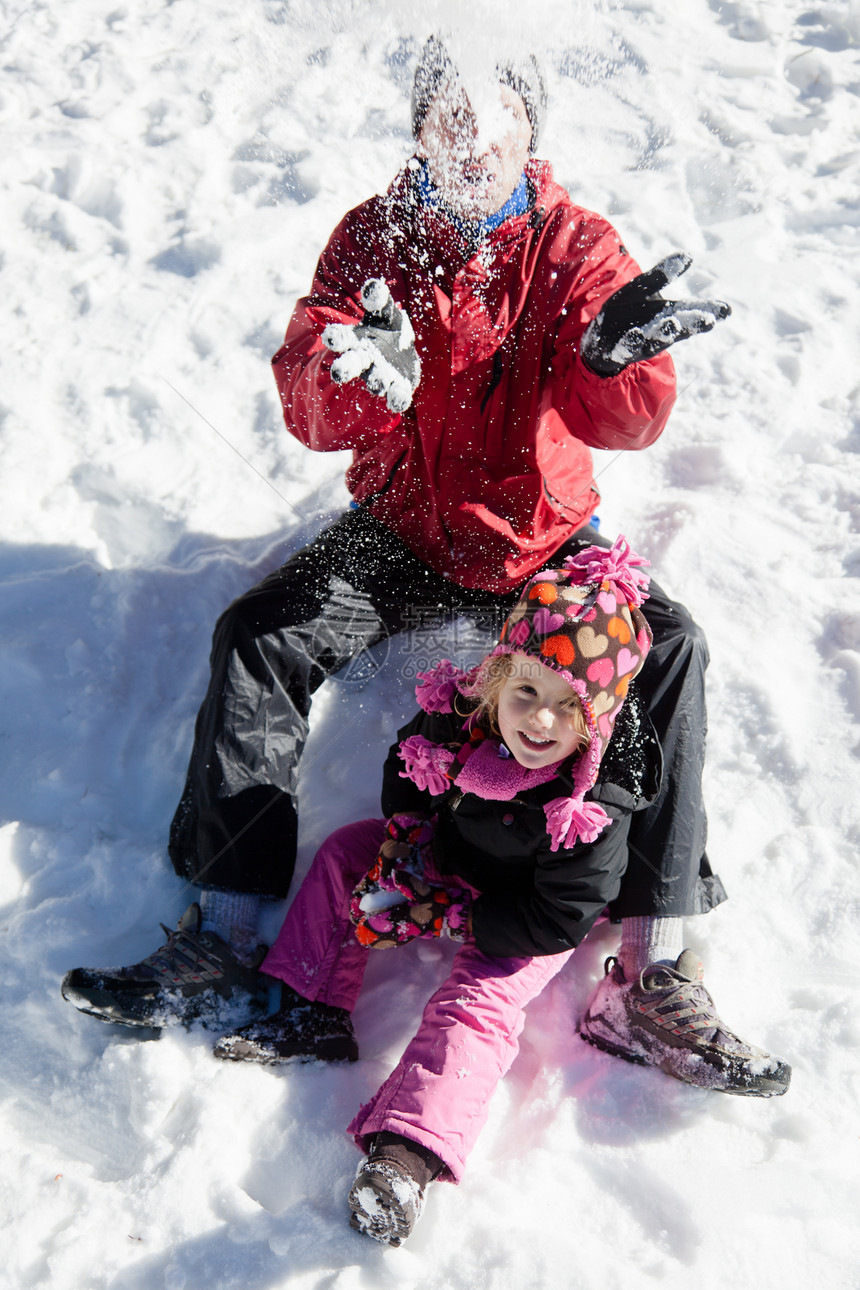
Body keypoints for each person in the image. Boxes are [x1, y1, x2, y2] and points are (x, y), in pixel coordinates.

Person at [62, 39, 745, 1090]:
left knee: (671, 646)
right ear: (419, 128)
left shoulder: (572, 246)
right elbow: (307, 403)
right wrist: (359, 384)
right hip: (400, 535)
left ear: (531, 129)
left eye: (495, 119)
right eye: (448, 119)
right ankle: (228, 929)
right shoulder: (372, 238)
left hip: (540, 544)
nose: (471, 142)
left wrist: (616, 365)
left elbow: (630, 414)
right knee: (258, 635)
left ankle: (650, 970)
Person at [209, 540, 790, 1247]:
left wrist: (459, 917)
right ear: (497, 679)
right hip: (449, 861)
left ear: (597, 720)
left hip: (524, 915)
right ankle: (311, 1007)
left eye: (565, 709)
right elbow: (407, 769)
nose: (539, 722)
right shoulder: (455, 718)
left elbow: (559, 918)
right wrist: (407, 847)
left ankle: (407, 1156)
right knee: (343, 857)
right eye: (526, 693)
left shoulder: (591, 805)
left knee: (477, 1003)